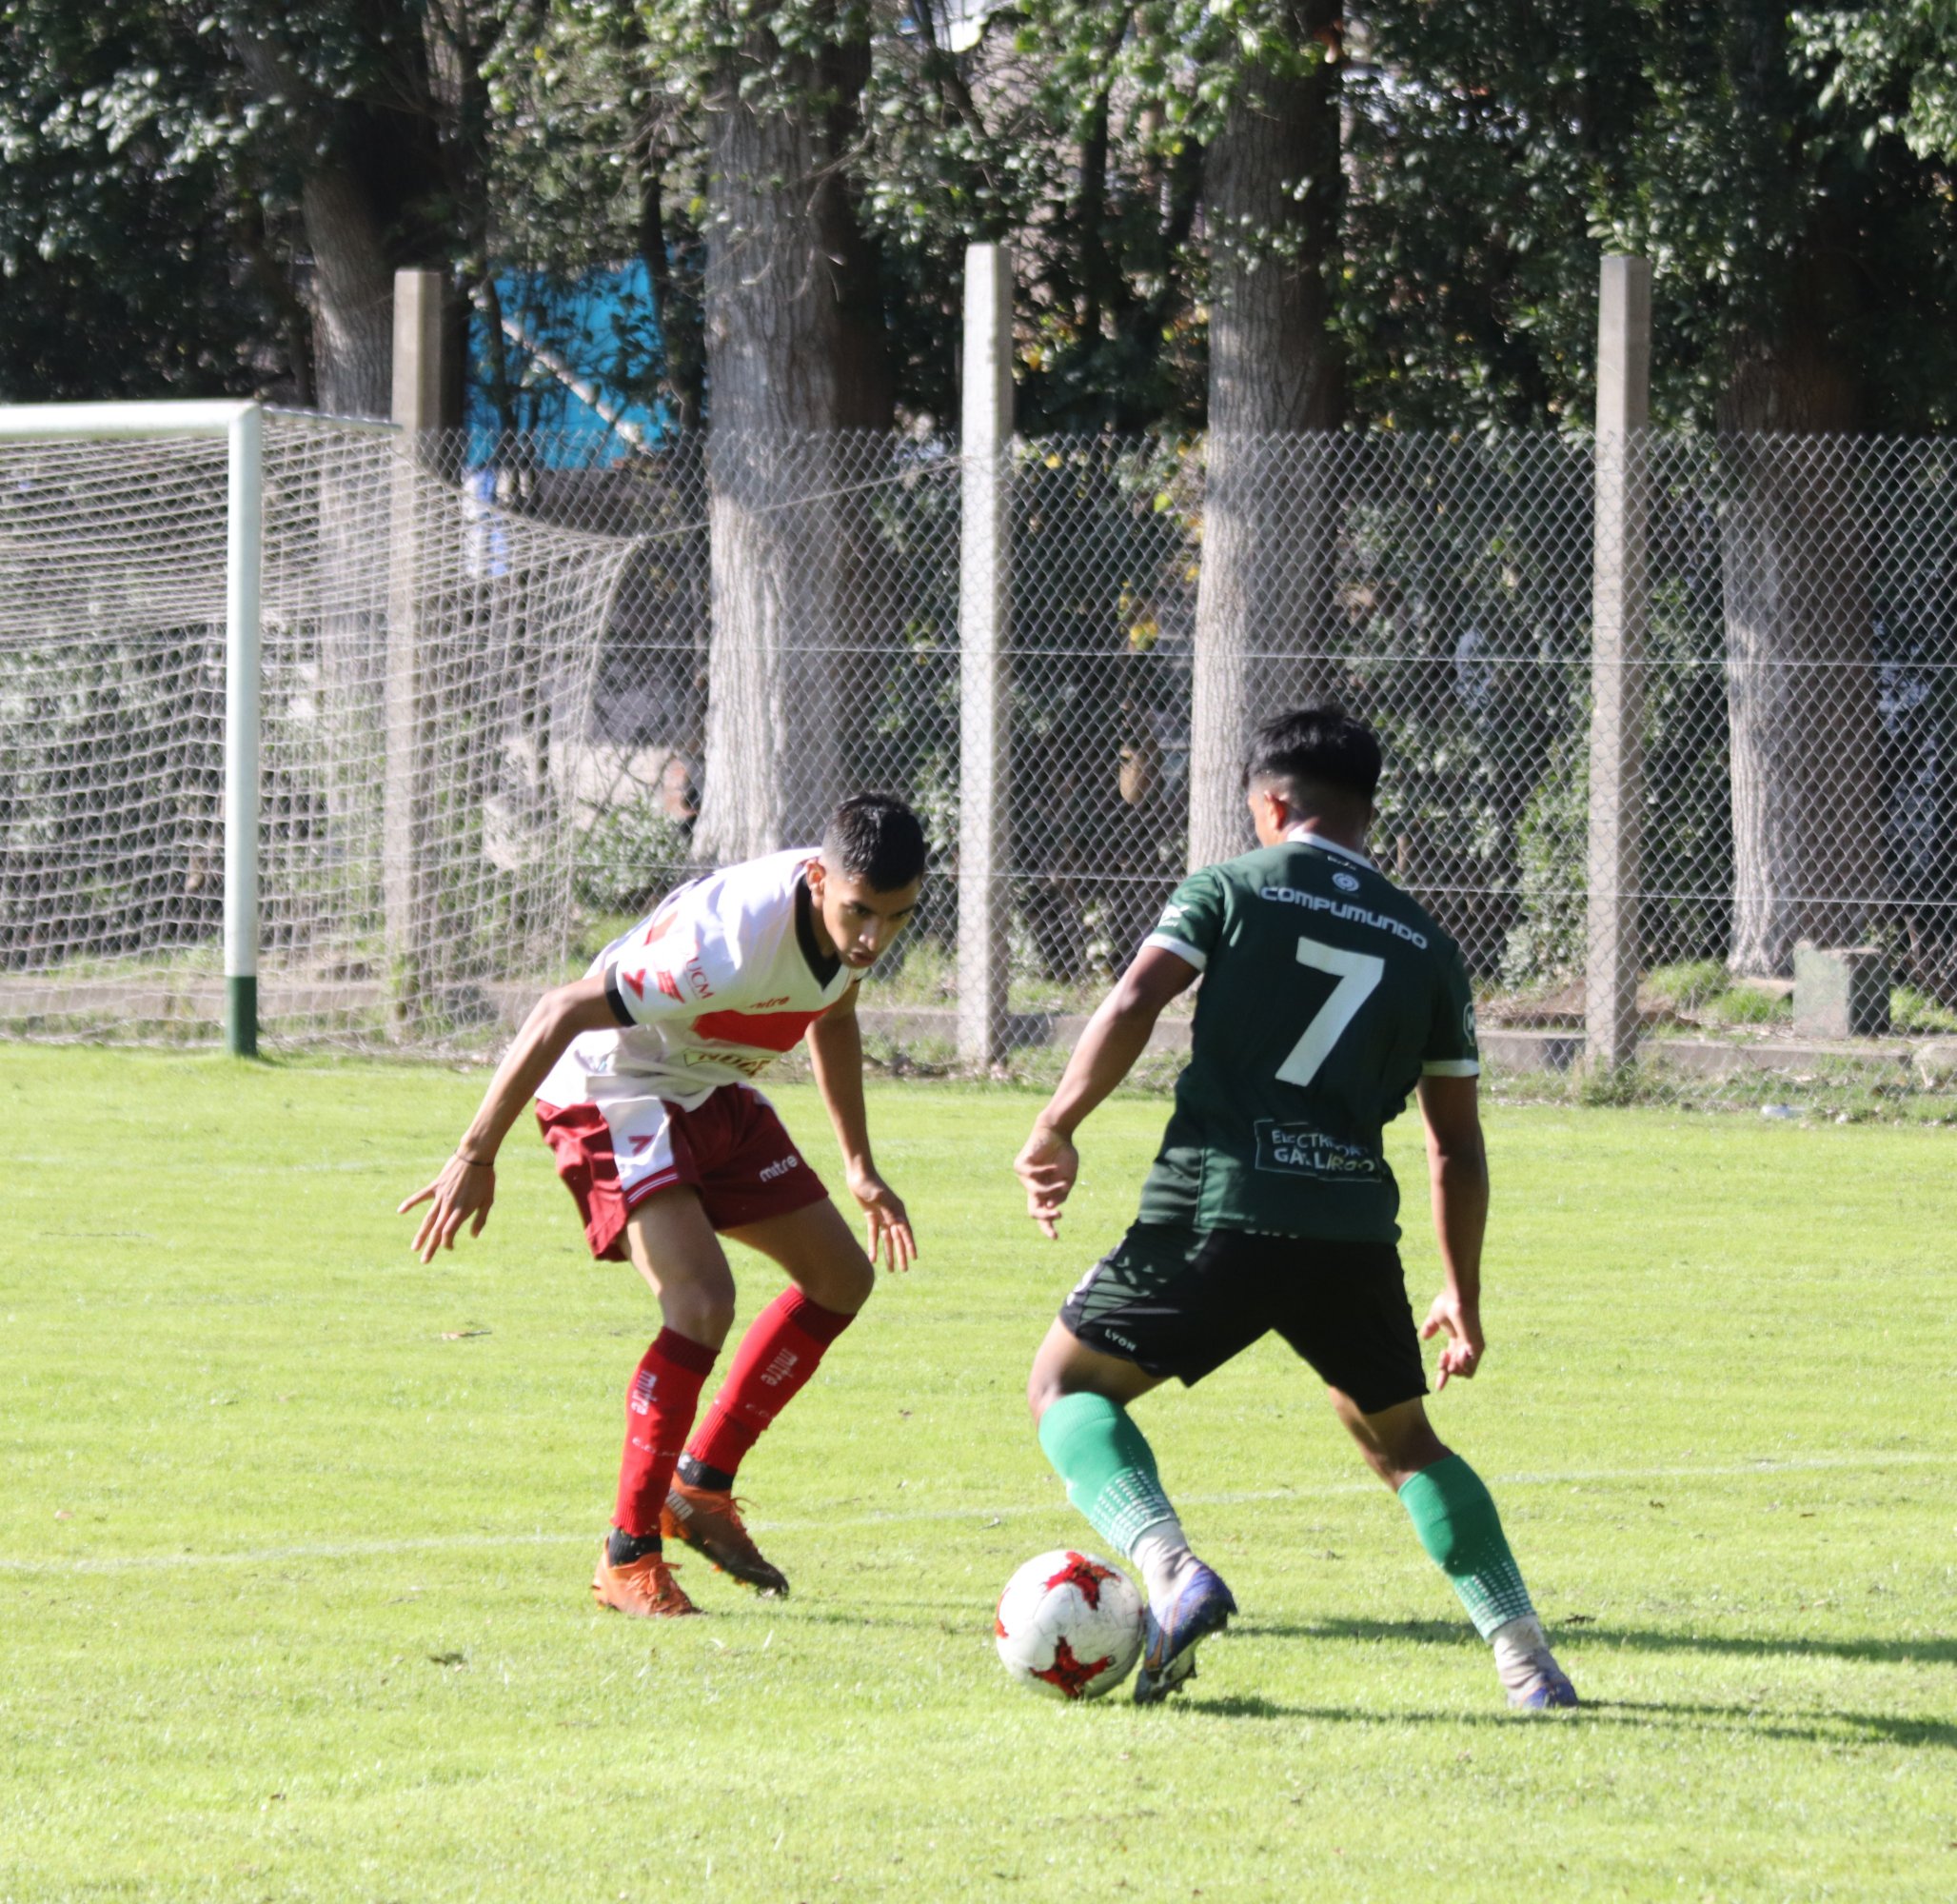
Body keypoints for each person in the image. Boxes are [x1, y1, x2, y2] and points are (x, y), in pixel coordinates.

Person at [1013, 706, 1577, 1709]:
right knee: (1403, 1443)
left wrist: (1058, 1121)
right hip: (1351, 1229)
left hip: (1218, 1203)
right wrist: (1461, 1289)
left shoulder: (1231, 887)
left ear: (1271, 804)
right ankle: (1527, 1661)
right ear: (1366, 811)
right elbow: (1453, 1142)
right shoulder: (1428, 944)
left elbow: (1139, 996)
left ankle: (1171, 1566)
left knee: (1064, 1384)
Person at [400, 794, 926, 1617]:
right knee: (701, 1300)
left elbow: (836, 1011)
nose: (872, 938)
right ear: (820, 878)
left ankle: (702, 1487)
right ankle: (626, 1555)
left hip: (707, 1085)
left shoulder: (850, 922)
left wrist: (859, 1165)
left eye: (896, 917)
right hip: (613, 1088)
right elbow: (561, 1010)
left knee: (840, 1280)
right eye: (860, 913)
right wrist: (475, 1152)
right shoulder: (724, 947)